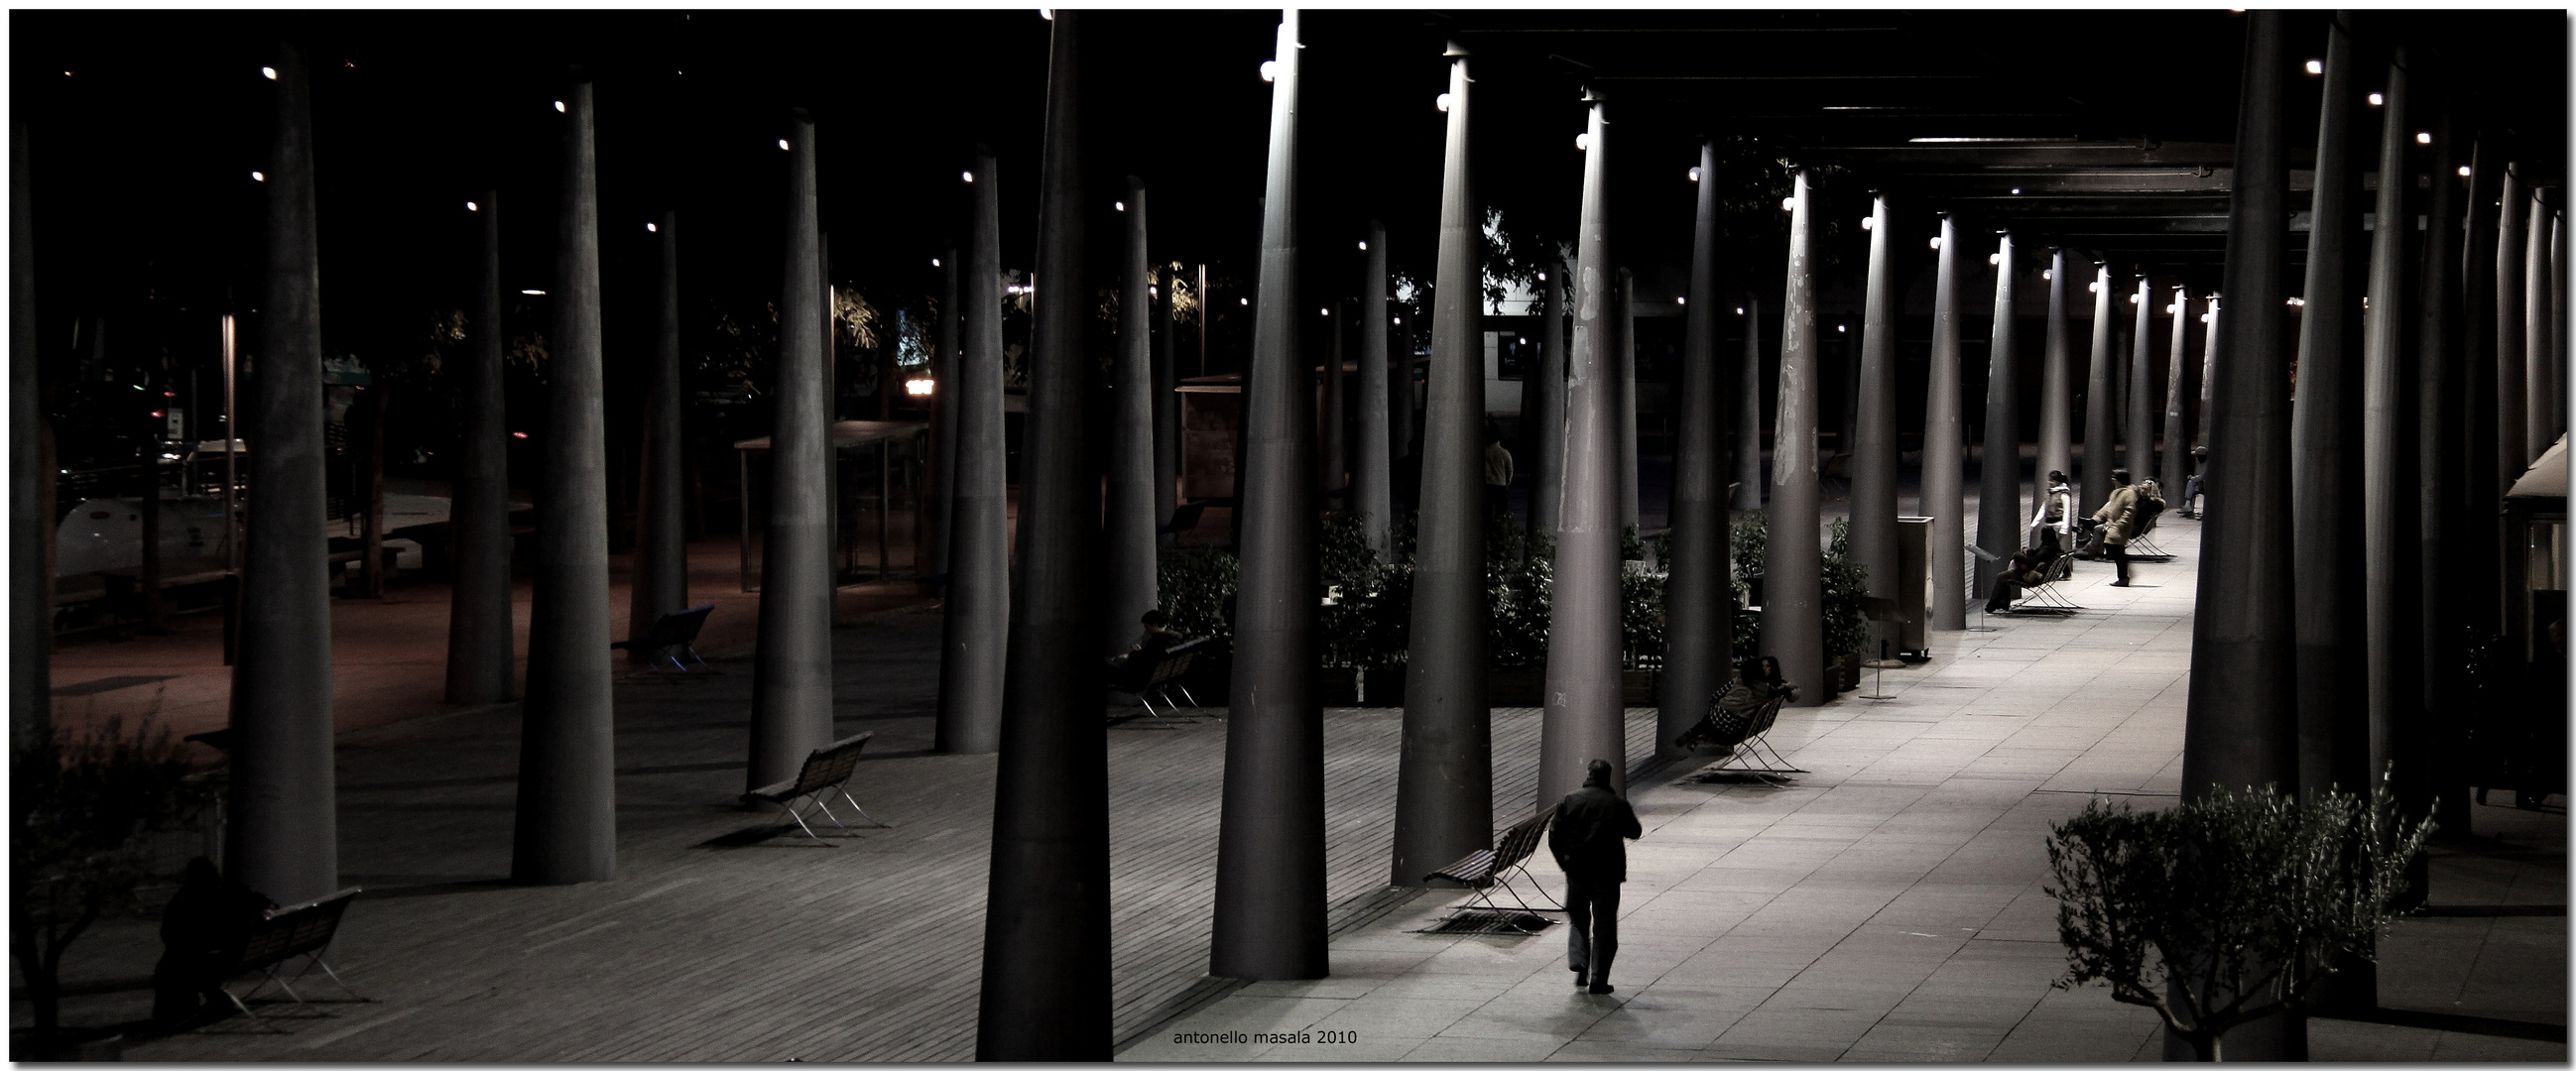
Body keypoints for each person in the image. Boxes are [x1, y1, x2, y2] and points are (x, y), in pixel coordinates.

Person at [1548, 758, 1642, 995]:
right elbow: (1634, 831)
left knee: (1578, 918)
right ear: (1608, 777)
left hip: (1577, 871)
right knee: (1605, 925)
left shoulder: (1570, 800)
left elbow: (1554, 836)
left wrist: (1565, 863)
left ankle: (1580, 963)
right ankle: (1599, 979)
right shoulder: (1616, 804)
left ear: (1588, 774)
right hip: (1607, 874)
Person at [152, 857, 276, 1027]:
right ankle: (202, 1002)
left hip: (213, 959)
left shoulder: (189, 899)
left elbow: (168, 934)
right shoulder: (230, 894)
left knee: (174, 965)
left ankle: (176, 1012)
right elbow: (262, 902)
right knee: (179, 962)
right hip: (232, 956)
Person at [1985, 528, 2064, 613]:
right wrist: (2029, 551)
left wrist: (2017, 555)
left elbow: (2032, 561)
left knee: (2001, 576)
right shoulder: (2053, 546)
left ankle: (1993, 605)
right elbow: (2038, 554)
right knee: (2007, 574)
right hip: (2041, 573)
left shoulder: (2048, 548)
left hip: (2033, 576)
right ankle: (2002, 602)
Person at [2091, 472, 2146, 586]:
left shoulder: (2129, 493)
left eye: (2114, 477)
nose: (2112, 479)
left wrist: (2120, 524)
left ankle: (2124, 576)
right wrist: (2099, 515)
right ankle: (2123, 575)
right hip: (2113, 524)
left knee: (2116, 548)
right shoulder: (2117, 492)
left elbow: (2129, 511)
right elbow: (2110, 506)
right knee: (2117, 550)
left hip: (2120, 527)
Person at [2028, 470, 2074, 548]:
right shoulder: (2049, 493)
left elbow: (2067, 512)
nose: (2049, 482)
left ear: (2058, 481)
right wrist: (2034, 523)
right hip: (2048, 525)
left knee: (2049, 547)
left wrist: (2064, 528)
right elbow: (2043, 508)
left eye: (2052, 480)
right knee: (2050, 547)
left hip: (2058, 524)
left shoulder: (2064, 494)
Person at [1483, 427, 1515, 521]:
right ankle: (1499, 529)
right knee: (1501, 511)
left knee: (1487, 510)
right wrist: (1507, 482)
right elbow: (1510, 470)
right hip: (1500, 484)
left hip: (1487, 484)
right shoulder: (1504, 453)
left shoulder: (1484, 451)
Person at [2179, 446, 2209, 519]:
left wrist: (2193, 478)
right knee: (2191, 484)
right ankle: (2188, 505)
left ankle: (2188, 505)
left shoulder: (2207, 464)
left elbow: (2203, 476)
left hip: (2208, 486)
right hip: (2205, 484)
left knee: (2191, 482)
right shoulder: (2204, 463)